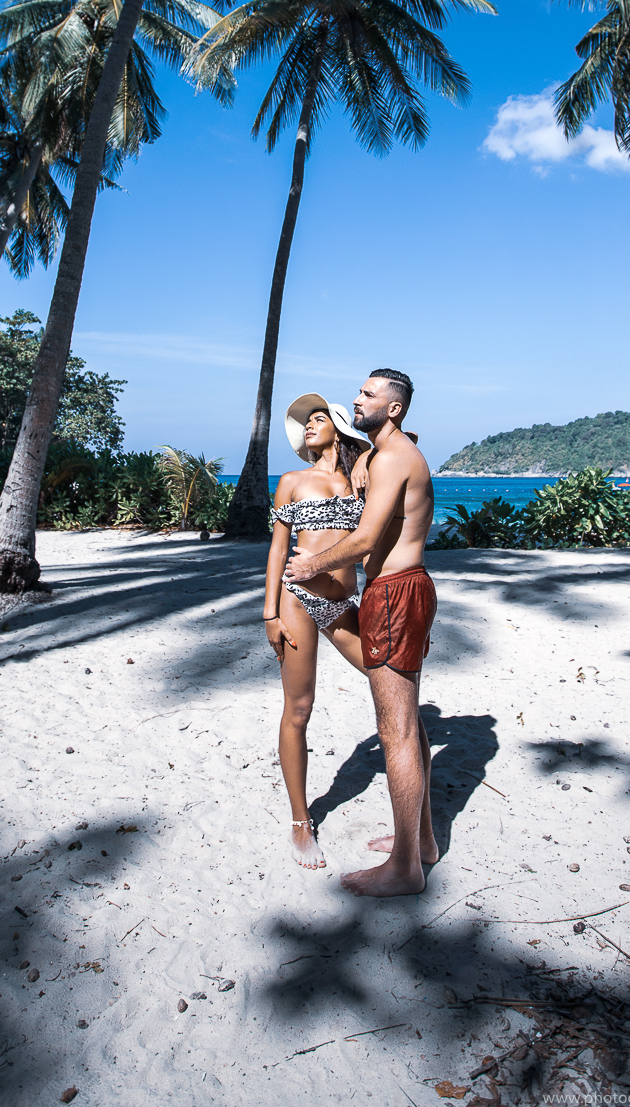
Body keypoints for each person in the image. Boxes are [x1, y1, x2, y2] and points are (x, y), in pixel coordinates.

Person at [284, 368, 436, 897]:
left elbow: (368, 536)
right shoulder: (381, 454)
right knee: (407, 722)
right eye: (358, 391)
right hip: (389, 592)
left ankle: (405, 869)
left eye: (368, 395)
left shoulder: (394, 457)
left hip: (396, 593)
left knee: (396, 729)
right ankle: (422, 843)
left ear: (394, 408)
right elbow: (356, 460)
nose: (356, 399)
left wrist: (312, 564)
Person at [264, 394, 371, 870]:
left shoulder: (362, 479)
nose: (308, 425)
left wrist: (365, 455)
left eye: (319, 418)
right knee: (299, 708)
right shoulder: (292, 481)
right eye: (306, 422)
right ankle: (300, 820)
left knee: (384, 672)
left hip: (344, 603)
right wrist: (270, 612)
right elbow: (277, 550)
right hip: (297, 600)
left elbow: (404, 444)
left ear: (339, 429)